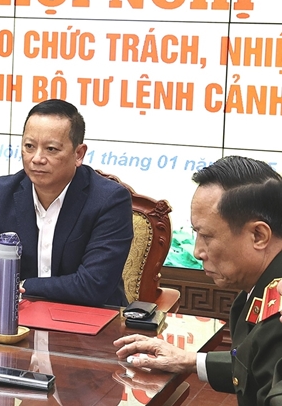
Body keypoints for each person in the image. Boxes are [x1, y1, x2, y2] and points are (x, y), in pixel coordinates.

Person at [115, 155, 282, 406]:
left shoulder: (277, 315)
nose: (197, 252)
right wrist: (190, 361)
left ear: (259, 235)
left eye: (207, 236)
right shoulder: (260, 289)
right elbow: (253, 365)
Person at [0, 99, 133, 306]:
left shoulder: (109, 200)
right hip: (17, 317)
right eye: (29, 146)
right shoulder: (0, 193)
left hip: (90, 318)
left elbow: (93, 285)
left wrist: (16, 286)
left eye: (51, 149)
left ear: (78, 154)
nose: (37, 158)